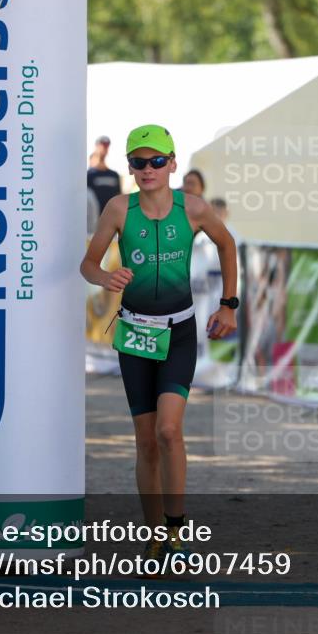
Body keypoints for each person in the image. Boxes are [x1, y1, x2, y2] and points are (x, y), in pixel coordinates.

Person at [80, 124, 238, 566]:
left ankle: (176, 528)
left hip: (178, 333)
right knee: (146, 440)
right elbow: (88, 263)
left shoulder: (194, 209)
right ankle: (153, 539)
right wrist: (105, 277)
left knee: (170, 431)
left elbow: (227, 246)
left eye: (155, 161)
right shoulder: (117, 209)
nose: (146, 169)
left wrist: (229, 305)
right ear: (129, 167)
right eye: (137, 162)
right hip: (134, 335)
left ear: (171, 163)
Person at [87, 135, 121, 211]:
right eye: (102, 145)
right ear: (96, 147)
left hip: (111, 218)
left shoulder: (114, 175)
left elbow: (119, 197)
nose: (104, 148)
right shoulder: (89, 175)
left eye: (106, 146)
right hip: (94, 219)